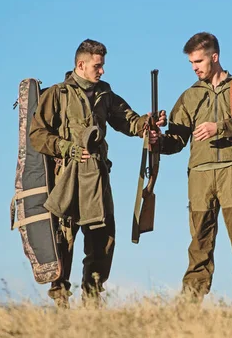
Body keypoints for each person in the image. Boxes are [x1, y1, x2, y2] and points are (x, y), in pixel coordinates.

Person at [29, 39, 166, 308]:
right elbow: (37, 135)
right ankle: (60, 302)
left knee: (103, 239)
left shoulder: (105, 94)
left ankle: (93, 299)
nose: (101, 71)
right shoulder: (57, 95)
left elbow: (128, 121)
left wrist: (147, 123)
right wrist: (66, 147)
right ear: (81, 64)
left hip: (98, 178)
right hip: (67, 179)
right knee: (64, 241)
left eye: (102, 66)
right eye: (97, 66)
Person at [160, 32, 232, 312]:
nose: (195, 67)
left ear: (214, 57)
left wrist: (218, 127)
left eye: (199, 60)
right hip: (200, 175)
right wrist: (156, 139)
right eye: (191, 62)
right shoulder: (190, 96)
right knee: (199, 242)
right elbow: (176, 140)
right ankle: (190, 304)